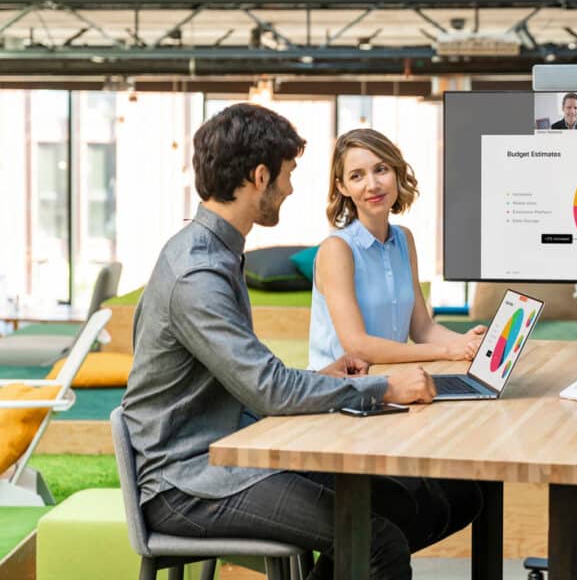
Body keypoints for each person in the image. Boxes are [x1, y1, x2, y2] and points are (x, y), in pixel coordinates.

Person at [122, 104, 481, 580]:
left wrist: (320, 379)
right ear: (260, 175)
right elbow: (268, 388)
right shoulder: (198, 273)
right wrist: (382, 388)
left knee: (414, 500)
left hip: (230, 453)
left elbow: (252, 377)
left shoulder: (214, 253)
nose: (290, 189)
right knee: (377, 543)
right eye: (287, 175)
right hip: (189, 483)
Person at [309, 128, 486, 369]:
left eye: (381, 170)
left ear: (396, 171)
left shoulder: (404, 239)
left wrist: (470, 343)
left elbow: (422, 328)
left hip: (393, 384)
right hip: (340, 392)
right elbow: (357, 345)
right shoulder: (337, 250)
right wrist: (447, 351)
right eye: (357, 176)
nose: (372, 185)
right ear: (342, 187)